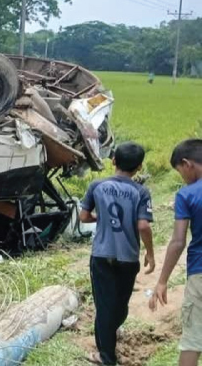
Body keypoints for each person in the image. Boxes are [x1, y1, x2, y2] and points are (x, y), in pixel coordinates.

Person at [80, 141, 156, 365]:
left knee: (104, 306)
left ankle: (106, 356)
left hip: (102, 255)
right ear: (139, 167)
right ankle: (110, 338)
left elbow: (84, 217)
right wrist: (150, 253)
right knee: (120, 303)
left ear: (113, 161)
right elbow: (143, 226)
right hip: (128, 256)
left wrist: (99, 218)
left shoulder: (97, 186)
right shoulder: (140, 191)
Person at [150, 139, 202, 366]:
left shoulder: (187, 194)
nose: (183, 178)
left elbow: (178, 241)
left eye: (181, 172)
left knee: (192, 340)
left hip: (200, 272)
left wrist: (162, 281)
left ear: (187, 163)